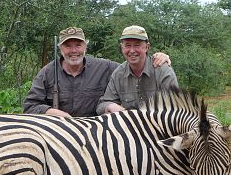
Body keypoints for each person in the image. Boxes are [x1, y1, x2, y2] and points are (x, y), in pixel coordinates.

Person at [23, 27, 171, 117]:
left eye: (78, 45)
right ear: (60, 49)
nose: (74, 51)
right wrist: (57, 114)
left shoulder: (106, 67)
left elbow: (133, 65)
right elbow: (30, 106)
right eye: (68, 46)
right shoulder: (47, 72)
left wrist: (159, 57)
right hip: (60, 135)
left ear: (85, 47)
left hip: (95, 138)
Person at [96, 25, 178, 115]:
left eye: (137, 45)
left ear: (147, 47)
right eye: (127, 45)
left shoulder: (163, 70)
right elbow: (102, 105)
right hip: (129, 126)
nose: (132, 51)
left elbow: (174, 108)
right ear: (122, 47)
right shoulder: (118, 74)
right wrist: (110, 106)